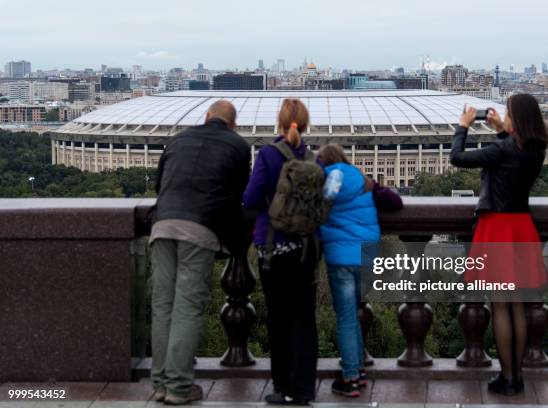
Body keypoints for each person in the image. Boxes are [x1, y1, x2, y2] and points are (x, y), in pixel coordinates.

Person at [149, 100, 251, 405]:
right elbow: (238, 194)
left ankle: (159, 383)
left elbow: (159, 184)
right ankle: (179, 387)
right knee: (188, 307)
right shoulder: (237, 145)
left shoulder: (178, 139)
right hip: (200, 228)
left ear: (206, 117)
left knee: (162, 306)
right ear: (232, 124)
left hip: (162, 225)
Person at [450, 94, 548, 396]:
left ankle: (507, 378)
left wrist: (462, 126)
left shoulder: (500, 150)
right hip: (522, 226)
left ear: (516, 118)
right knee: (517, 304)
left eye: (507, 113)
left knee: (500, 305)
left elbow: (457, 157)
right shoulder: (537, 147)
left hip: (497, 229)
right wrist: (502, 130)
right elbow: (514, 150)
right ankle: (516, 377)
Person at [243, 98, 319, 406]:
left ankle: (282, 387)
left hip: (273, 248)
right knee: (304, 318)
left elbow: (249, 198)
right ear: (304, 123)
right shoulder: (314, 158)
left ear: (280, 122)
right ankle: (303, 388)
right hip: (307, 248)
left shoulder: (268, 155)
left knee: (279, 318)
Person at [317, 144, 403, 397]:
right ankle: (359, 371)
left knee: (345, 318)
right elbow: (394, 202)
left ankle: (350, 377)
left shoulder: (329, 179)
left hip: (340, 258)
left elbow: (319, 207)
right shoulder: (364, 180)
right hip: (366, 256)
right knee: (353, 314)